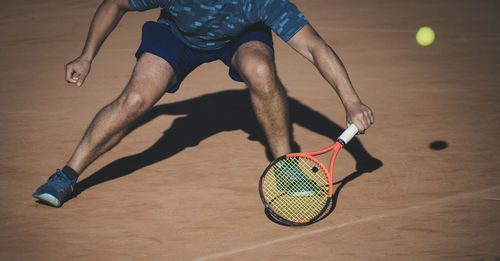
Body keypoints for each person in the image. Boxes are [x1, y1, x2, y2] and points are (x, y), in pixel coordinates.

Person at [33, 0, 375, 207]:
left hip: (240, 36)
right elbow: (116, 3)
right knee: (135, 100)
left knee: (261, 71)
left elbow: (315, 46)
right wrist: (86, 56)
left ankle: (284, 167)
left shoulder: (261, 2)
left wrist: (352, 101)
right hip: (177, 34)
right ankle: (66, 175)